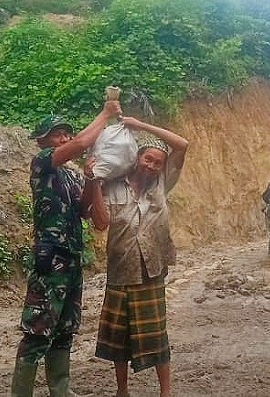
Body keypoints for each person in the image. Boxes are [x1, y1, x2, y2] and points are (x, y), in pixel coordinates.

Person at [10, 98, 122, 397]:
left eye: (67, 133)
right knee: (37, 330)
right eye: (59, 133)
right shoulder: (43, 163)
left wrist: (90, 179)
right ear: (43, 140)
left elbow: (88, 212)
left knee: (65, 329)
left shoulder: (71, 174)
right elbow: (84, 141)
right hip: (51, 257)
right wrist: (106, 113)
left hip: (72, 259)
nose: (66, 138)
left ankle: (60, 390)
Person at [88, 118, 188, 397]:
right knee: (119, 338)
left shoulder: (162, 184)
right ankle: (122, 391)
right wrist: (95, 182)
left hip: (152, 269)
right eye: (148, 159)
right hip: (121, 269)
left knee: (156, 334)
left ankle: (165, 392)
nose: (152, 166)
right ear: (137, 158)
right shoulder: (113, 186)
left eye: (157, 162)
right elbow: (100, 222)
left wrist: (138, 123)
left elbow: (182, 144)